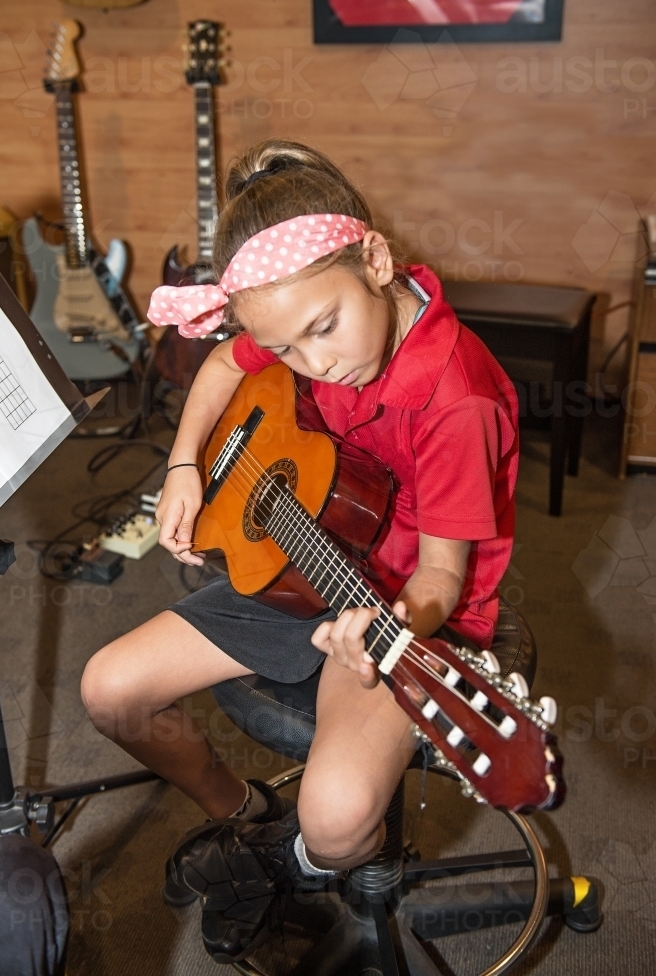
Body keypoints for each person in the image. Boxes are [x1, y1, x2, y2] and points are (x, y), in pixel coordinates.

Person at [80, 139, 519, 963]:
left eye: (324, 328)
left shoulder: (456, 398)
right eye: (286, 351)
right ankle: (244, 816)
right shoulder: (293, 316)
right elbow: (219, 364)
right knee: (111, 691)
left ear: (376, 261)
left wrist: (383, 627)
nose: (317, 365)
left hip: (412, 614)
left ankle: (286, 863)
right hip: (303, 556)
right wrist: (182, 465)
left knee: (339, 813)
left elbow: (440, 576)